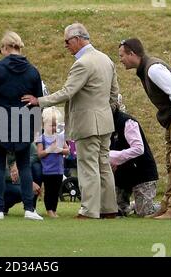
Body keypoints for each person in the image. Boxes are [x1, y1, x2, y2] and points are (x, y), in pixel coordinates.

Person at [22, 23, 119, 219]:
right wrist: (105, 112)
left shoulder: (82, 63)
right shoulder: (106, 59)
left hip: (87, 123)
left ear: (78, 39)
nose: (65, 45)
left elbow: (67, 92)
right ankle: (109, 209)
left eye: (67, 41)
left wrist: (38, 101)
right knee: (104, 166)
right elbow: (114, 94)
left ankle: (89, 211)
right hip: (106, 121)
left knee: (88, 166)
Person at [118, 38, 171, 220]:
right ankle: (167, 206)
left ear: (132, 54)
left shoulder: (153, 69)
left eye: (122, 55)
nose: (121, 60)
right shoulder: (148, 68)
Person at [0, 31, 44, 220]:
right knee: (24, 166)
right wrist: (36, 124)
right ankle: (29, 209)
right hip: (23, 121)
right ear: (19, 47)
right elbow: (39, 100)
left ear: (5, 48)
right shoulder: (32, 71)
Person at [110, 95, 160, 217]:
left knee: (144, 212)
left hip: (142, 172)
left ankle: (167, 204)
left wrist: (113, 156)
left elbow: (138, 149)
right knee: (117, 210)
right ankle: (134, 205)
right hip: (122, 174)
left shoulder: (127, 122)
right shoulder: (104, 124)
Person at [0, 143, 42, 215]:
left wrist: (17, 164)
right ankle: (0, 207)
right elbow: (3, 174)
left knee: (37, 168)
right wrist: (28, 183)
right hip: (0, 183)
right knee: (24, 191)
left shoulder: (22, 137)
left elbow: (35, 154)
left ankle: (31, 208)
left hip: (16, 180)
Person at [36, 107, 70, 218]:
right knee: (49, 191)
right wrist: (50, 149)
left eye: (56, 125)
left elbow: (67, 150)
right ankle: (49, 209)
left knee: (56, 191)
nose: (54, 128)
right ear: (44, 125)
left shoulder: (60, 137)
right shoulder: (42, 138)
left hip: (59, 170)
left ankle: (54, 209)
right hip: (47, 171)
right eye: (51, 125)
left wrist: (59, 150)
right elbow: (40, 154)